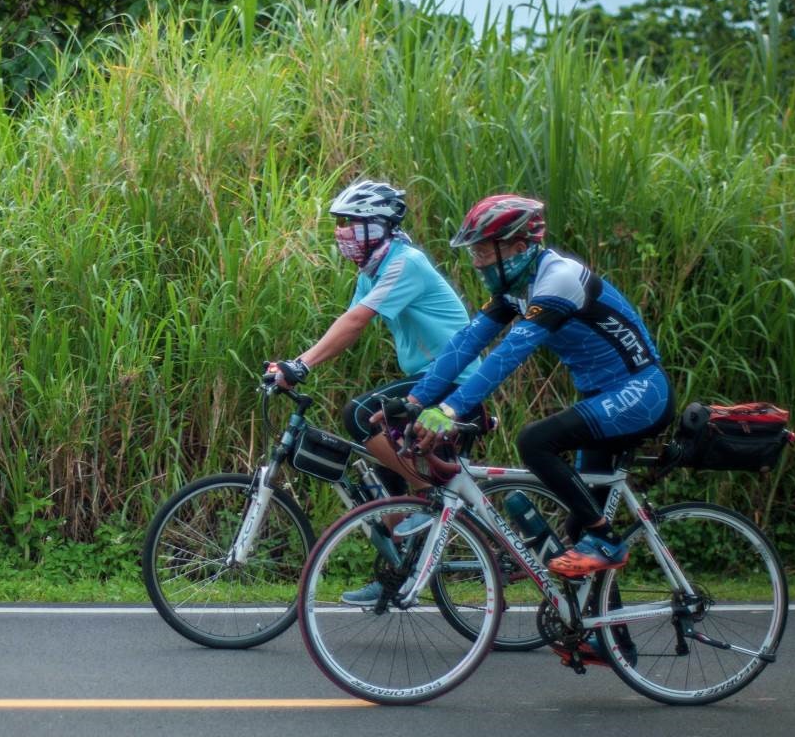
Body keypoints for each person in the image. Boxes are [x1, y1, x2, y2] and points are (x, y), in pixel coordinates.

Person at [403, 194, 674, 584]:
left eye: (482, 251)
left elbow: (509, 354)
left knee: (534, 441)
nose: (476, 262)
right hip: (602, 398)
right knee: (578, 537)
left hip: (641, 392)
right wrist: (414, 401)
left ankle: (608, 540)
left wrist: (450, 409)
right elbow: (467, 343)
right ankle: (601, 642)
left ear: (518, 247)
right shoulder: (518, 286)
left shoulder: (559, 279)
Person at [267, 179, 485, 605]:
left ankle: (429, 493)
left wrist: (302, 365)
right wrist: (294, 362)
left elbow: (357, 322)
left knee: (361, 414)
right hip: (430, 380)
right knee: (385, 475)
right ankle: (395, 577)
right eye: (341, 223)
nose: (342, 232)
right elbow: (347, 321)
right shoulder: (375, 269)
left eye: (352, 223)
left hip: (453, 382)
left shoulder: (406, 264)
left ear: (380, 227)